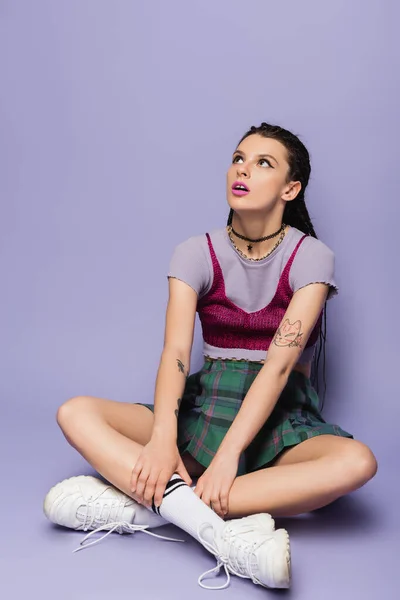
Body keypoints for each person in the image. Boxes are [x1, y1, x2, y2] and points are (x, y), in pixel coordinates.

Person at [43, 122, 378, 590]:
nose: (243, 169)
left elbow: (279, 367)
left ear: (291, 188)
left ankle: (152, 506)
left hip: (278, 412)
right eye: (238, 158)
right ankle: (221, 535)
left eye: (264, 163)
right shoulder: (194, 253)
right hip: (205, 403)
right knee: (74, 412)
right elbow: (176, 351)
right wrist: (162, 438)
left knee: (357, 462)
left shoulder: (312, 257)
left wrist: (229, 454)